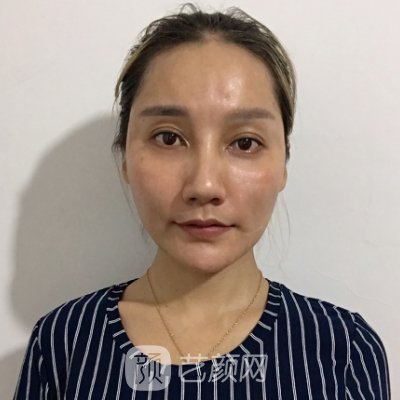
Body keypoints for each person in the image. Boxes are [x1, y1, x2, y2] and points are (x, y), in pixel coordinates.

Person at [14, 4, 391, 399]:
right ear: (125, 157)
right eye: (168, 137)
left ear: (283, 163)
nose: (205, 184)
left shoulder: (343, 351)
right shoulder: (65, 343)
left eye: (245, 143)